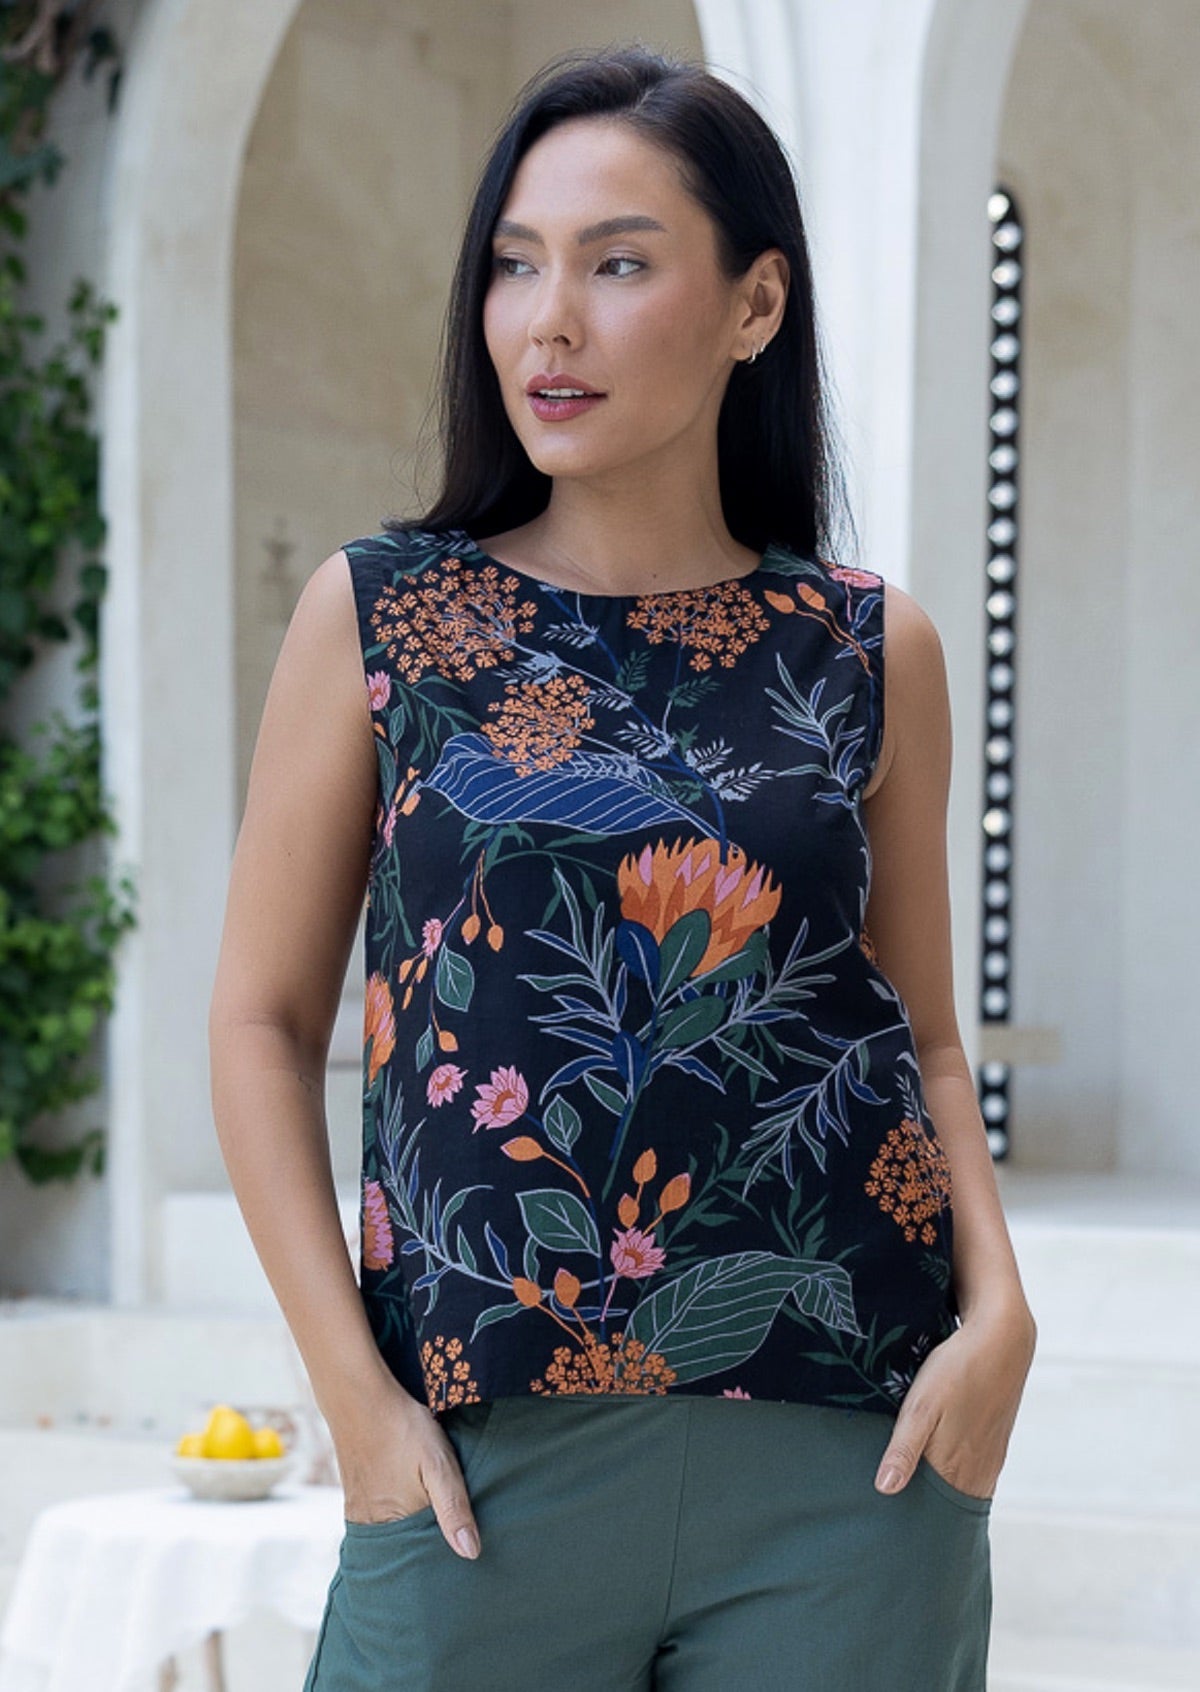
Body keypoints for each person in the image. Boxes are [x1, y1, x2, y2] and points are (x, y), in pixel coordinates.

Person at [208, 43, 1036, 1692]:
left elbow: (926, 1034)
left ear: (755, 305)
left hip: (849, 1459)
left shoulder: (872, 649)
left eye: (619, 261)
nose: (548, 318)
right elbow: (260, 1022)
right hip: (476, 1473)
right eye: (515, 264)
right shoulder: (384, 619)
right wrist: (354, 1405)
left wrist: (1001, 1317)